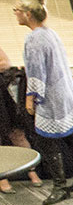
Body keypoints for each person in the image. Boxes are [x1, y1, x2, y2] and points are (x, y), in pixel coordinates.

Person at [15, 0, 73, 205]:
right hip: (65, 94)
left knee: (48, 143)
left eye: (17, 10)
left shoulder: (34, 38)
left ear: (28, 14)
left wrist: (31, 98)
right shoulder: (51, 34)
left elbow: (37, 72)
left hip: (51, 99)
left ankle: (60, 186)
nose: (15, 14)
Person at [0, 44, 42, 194]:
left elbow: (6, 64)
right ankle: (2, 179)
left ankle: (32, 172)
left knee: (17, 134)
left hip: (4, 100)